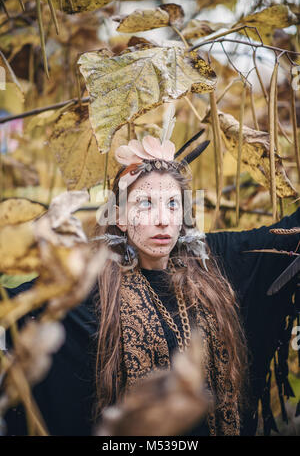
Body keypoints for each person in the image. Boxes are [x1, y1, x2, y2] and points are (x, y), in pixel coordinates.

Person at [2, 132, 300, 437]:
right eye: (145, 204)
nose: (162, 219)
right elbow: (15, 309)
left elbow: (289, 236)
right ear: (119, 216)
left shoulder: (213, 259)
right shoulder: (92, 285)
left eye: (173, 204)